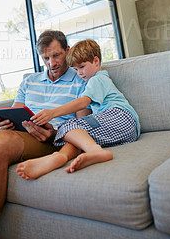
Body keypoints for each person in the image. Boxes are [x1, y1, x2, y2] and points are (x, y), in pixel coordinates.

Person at [0, 30, 87, 239]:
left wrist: (54, 132)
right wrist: (3, 122)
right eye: (45, 58)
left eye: (57, 55)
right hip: (16, 135)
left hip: (49, 139)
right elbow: (15, 112)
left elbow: (83, 126)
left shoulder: (82, 79)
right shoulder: (29, 81)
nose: (51, 63)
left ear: (68, 50)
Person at [16, 39, 140, 180]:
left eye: (82, 67)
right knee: (78, 135)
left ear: (96, 61)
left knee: (67, 125)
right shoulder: (92, 81)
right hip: (124, 130)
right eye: (75, 69)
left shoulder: (98, 79)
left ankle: (94, 151)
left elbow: (83, 102)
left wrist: (52, 113)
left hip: (121, 117)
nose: (79, 73)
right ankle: (60, 156)